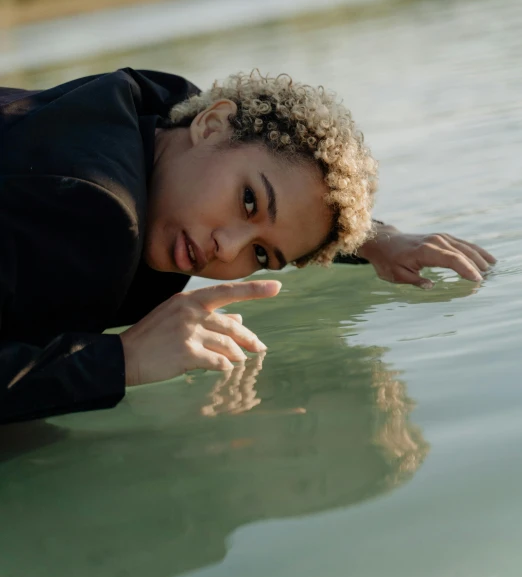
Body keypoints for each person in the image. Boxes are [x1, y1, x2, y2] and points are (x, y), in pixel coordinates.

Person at [0, 68, 495, 425]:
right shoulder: (95, 213)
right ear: (210, 125)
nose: (226, 248)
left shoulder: (150, 114)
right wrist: (121, 359)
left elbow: (283, 201)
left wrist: (372, 238)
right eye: (248, 200)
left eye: (261, 256)